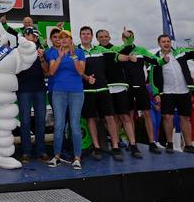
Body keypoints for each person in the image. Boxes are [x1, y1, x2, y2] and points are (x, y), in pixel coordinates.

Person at [151, 34, 194, 155]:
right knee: (168, 117)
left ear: (170, 43)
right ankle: (169, 143)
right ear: (159, 44)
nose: (166, 43)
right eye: (163, 42)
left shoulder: (180, 52)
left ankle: (188, 145)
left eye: (168, 41)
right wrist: (156, 93)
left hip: (183, 91)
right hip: (167, 92)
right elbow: (152, 77)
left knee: (185, 118)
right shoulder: (155, 58)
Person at [77, 26, 123, 161]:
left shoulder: (101, 50)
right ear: (80, 36)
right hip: (87, 90)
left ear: (92, 37)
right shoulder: (76, 51)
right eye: (83, 34)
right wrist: (86, 78)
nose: (86, 36)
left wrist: (127, 47)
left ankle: (115, 147)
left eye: (88, 34)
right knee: (91, 118)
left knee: (110, 117)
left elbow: (117, 54)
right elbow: (76, 69)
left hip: (103, 89)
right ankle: (96, 147)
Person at [115, 29, 165, 154]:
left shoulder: (141, 50)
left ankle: (152, 143)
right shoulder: (119, 50)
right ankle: (132, 143)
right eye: (125, 37)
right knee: (128, 115)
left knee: (147, 114)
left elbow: (155, 60)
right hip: (126, 88)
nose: (128, 39)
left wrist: (164, 60)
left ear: (133, 37)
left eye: (130, 36)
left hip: (141, 86)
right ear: (122, 38)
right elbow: (114, 60)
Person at [97, 28, 143, 159]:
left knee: (125, 117)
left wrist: (128, 37)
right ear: (97, 39)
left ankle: (133, 145)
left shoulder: (117, 48)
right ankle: (115, 146)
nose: (104, 38)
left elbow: (129, 46)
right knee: (110, 119)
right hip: (105, 88)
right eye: (101, 37)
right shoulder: (96, 50)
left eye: (106, 36)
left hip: (120, 86)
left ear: (109, 37)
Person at [46, 30, 86, 169]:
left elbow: (80, 71)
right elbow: (51, 72)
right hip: (59, 92)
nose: (63, 39)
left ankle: (77, 158)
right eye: (60, 37)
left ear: (70, 39)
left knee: (74, 125)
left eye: (66, 37)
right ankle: (56, 156)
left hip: (76, 92)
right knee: (59, 125)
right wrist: (60, 57)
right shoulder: (54, 53)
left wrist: (73, 55)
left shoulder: (79, 52)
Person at [16, 27, 50, 164]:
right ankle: (26, 151)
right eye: (32, 36)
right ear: (25, 35)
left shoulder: (41, 50)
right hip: (23, 90)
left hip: (39, 89)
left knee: (41, 120)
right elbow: (14, 69)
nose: (35, 38)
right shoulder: (18, 50)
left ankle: (41, 151)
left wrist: (41, 58)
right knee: (25, 121)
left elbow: (47, 71)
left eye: (36, 36)